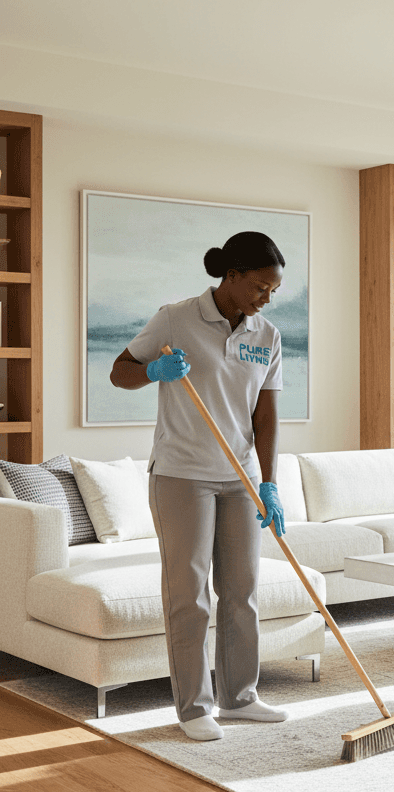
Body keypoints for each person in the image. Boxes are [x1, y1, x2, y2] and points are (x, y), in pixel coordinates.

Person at [110, 232, 291, 741]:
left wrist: (270, 483)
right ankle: (194, 708)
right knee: (190, 596)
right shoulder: (176, 318)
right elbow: (119, 373)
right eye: (259, 286)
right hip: (181, 475)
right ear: (230, 276)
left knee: (242, 591)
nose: (266, 298)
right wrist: (153, 370)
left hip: (241, 478)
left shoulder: (266, 334)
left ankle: (240, 697)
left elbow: (266, 413)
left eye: (273, 290)